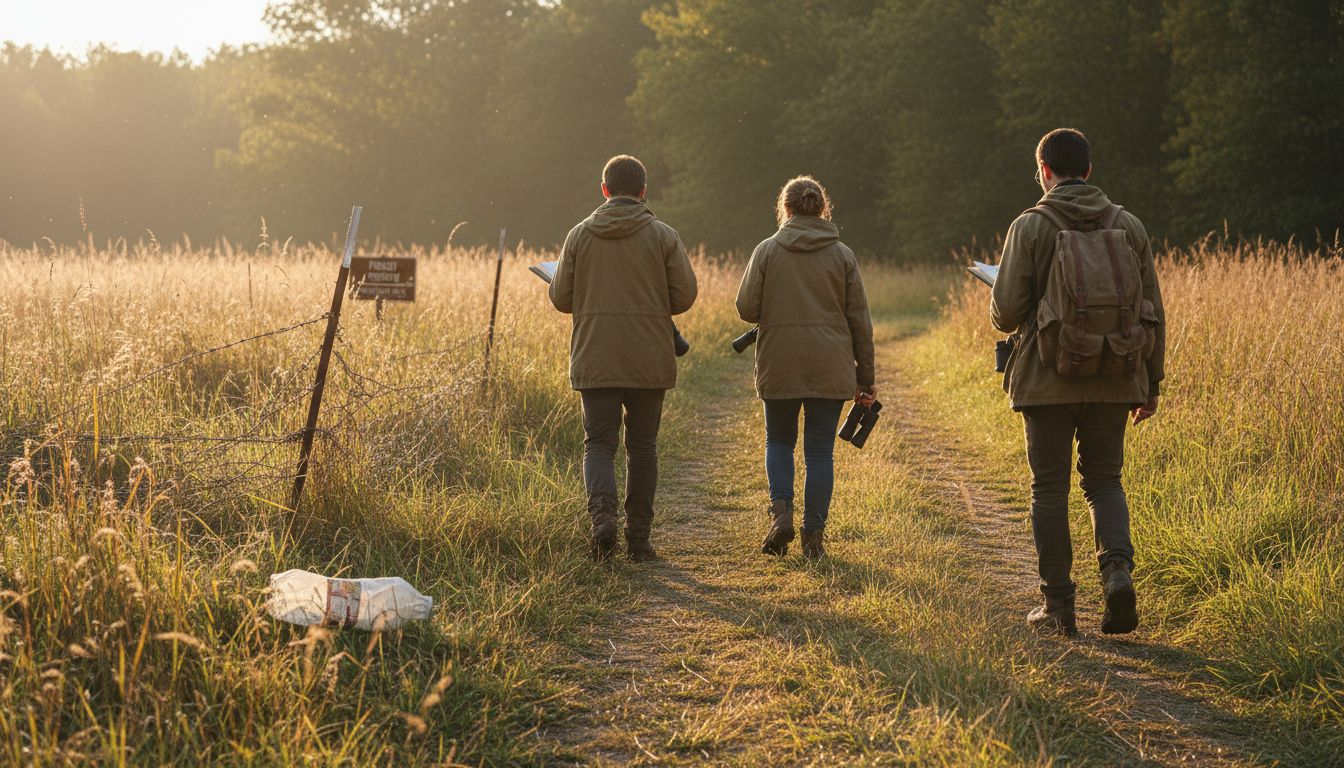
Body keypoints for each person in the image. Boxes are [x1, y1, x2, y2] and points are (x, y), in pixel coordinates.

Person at [990, 128, 1166, 636]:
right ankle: (1116, 575)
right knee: (1104, 482)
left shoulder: (1030, 225)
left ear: (1044, 171)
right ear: (1088, 171)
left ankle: (1058, 606)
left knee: (1049, 488)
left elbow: (1006, 314)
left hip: (1047, 380)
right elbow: (1153, 311)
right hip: (1116, 375)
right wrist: (1151, 382)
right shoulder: (1128, 225)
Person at [549, 154, 698, 562]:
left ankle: (602, 522)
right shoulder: (664, 236)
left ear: (604, 189)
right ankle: (639, 540)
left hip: (595, 355)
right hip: (649, 356)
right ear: (644, 191)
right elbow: (684, 296)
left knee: (599, 444)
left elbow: (561, 298)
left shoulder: (579, 235)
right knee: (643, 446)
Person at [735, 176, 875, 560]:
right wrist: (866, 378)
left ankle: (781, 515)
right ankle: (813, 538)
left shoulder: (767, 251)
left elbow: (746, 308)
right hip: (831, 366)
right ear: (823, 209)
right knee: (819, 452)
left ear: (786, 209)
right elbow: (860, 322)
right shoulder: (842, 255)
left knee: (779, 441)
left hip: (779, 361)